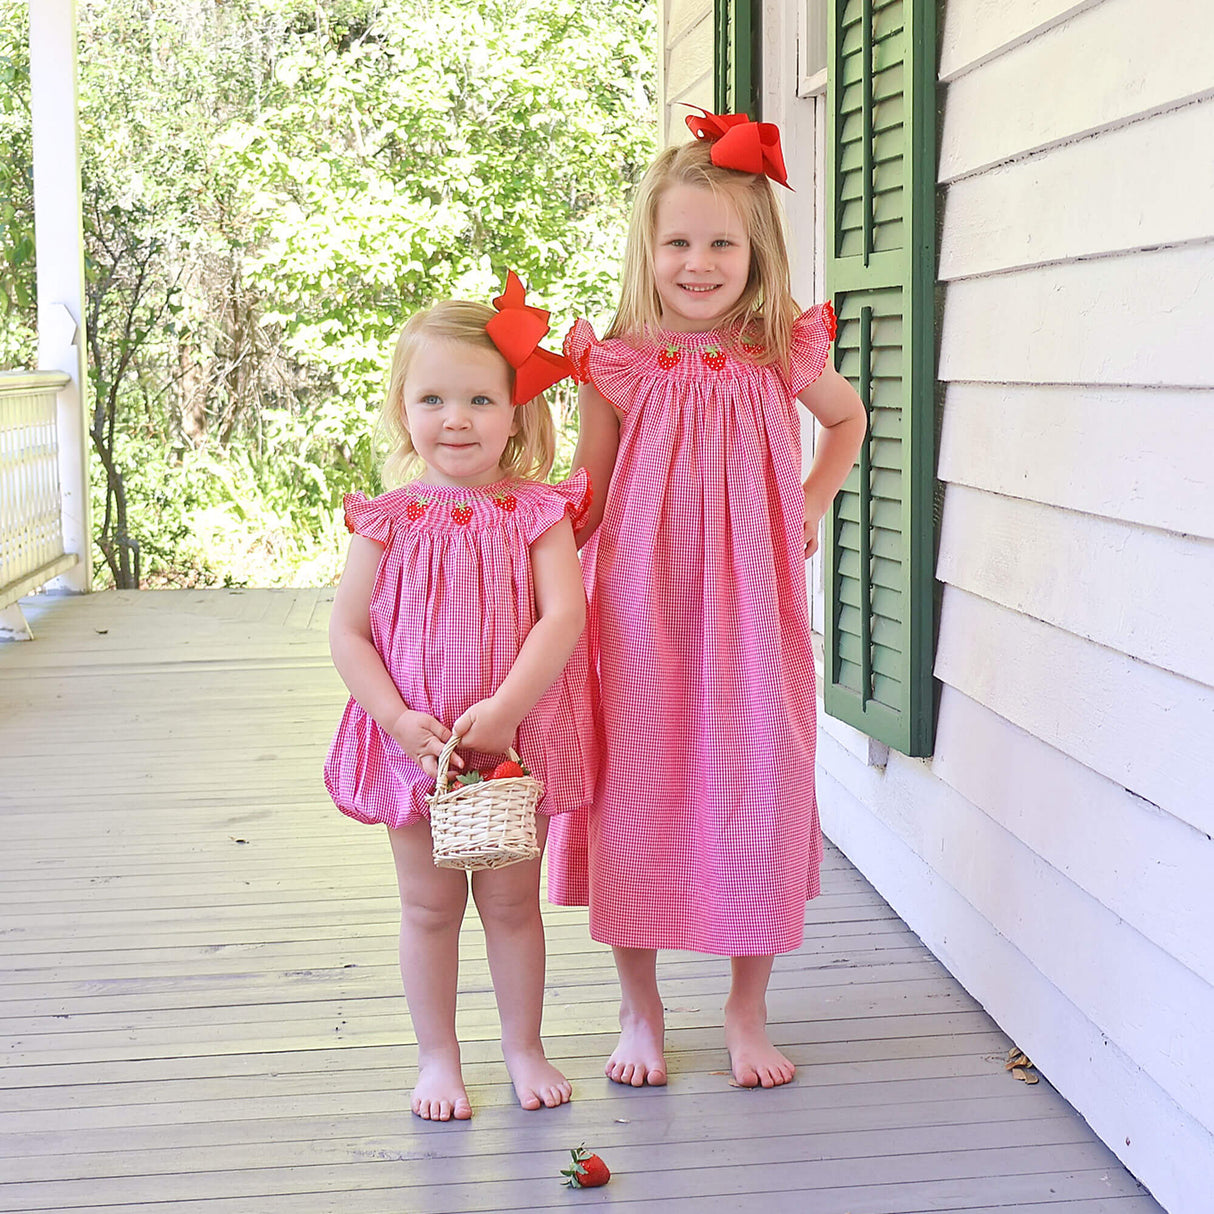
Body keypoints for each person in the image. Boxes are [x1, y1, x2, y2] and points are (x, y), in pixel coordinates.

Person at [546, 109, 868, 1091]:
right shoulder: (618, 361)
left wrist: (810, 502)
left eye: (718, 242)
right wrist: (527, 562)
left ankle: (743, 1006)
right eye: (676, 241)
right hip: (637, 609)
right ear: (647, 248)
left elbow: (846, 418)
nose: (696, 261)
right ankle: (638, 1008)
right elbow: (587, 492)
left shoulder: (778, 348)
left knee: (754, 789)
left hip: (750, 609)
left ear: (753, 249)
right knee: (634, 792)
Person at [324, 272, 594, 1121]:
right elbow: (348, 633)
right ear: (404, 410)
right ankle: (438, 1058)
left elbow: (564, 615)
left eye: (480, 398)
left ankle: (524, 1047)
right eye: (433, 398)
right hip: (420, 746)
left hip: (511, 743)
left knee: (513, 905)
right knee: (428, 906)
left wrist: (510, 706)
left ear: (516, 409)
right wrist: (397, 719)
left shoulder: (535, 512)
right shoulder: (387, 519)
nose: (457, 418)